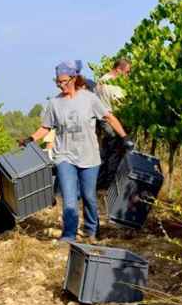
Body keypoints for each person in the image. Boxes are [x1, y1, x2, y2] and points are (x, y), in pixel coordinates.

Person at [20, 60, 134, 242]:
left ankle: (91, 229)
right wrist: (31, 138)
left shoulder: (89, 99)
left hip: (89, 155)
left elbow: (109, 118)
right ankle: (69, 234)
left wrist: (124, 137)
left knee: (89, 196)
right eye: (57, 82)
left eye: (64, 81)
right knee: (69, 197)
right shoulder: (55, 103)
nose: (60, 85)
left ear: (74, 78)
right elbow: (46, 127)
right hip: (64, 155)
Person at [95, 58, 132, 190]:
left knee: (105, 154)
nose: (128, 75)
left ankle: (100, 185)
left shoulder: (102, 79)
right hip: (112, 122)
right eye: (127, 72)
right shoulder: (112, 85)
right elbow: (119, 107)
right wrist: (124, 135)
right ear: (118, 70)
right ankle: (108, 186)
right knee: (114, 154)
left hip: (102, 121)